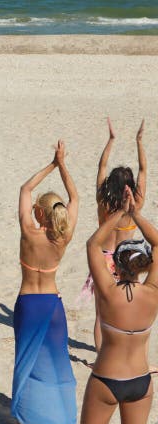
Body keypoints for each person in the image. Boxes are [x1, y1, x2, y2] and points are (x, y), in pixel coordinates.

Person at [51, 187, 156, 424]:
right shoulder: (152, 293)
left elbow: (93, 245)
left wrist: (119, 214)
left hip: (107, 380)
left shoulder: (109, 292)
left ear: (118, 264)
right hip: (141, 381)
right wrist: (137, 214)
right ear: (142, 265)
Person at [12, 141, 80, 424]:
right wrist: (63, 165)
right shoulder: (63, 236)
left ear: (38, 213)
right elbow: (75, 196)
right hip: (52, 304)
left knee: (24, 360)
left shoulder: (29, 231)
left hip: (28, 303)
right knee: (58, 359)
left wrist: (51, 164)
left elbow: (25, 189)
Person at [81, 119, 147, 352]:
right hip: (127, 259)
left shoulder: (103, 202)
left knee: (101, 312)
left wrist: (110, 140)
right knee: (129, 306)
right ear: (129, 185)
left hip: (104, 258)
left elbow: (101, 168)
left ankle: (100, 356)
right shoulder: (135, 205)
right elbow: (143, 170)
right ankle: (128, 348)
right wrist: (139, 141)